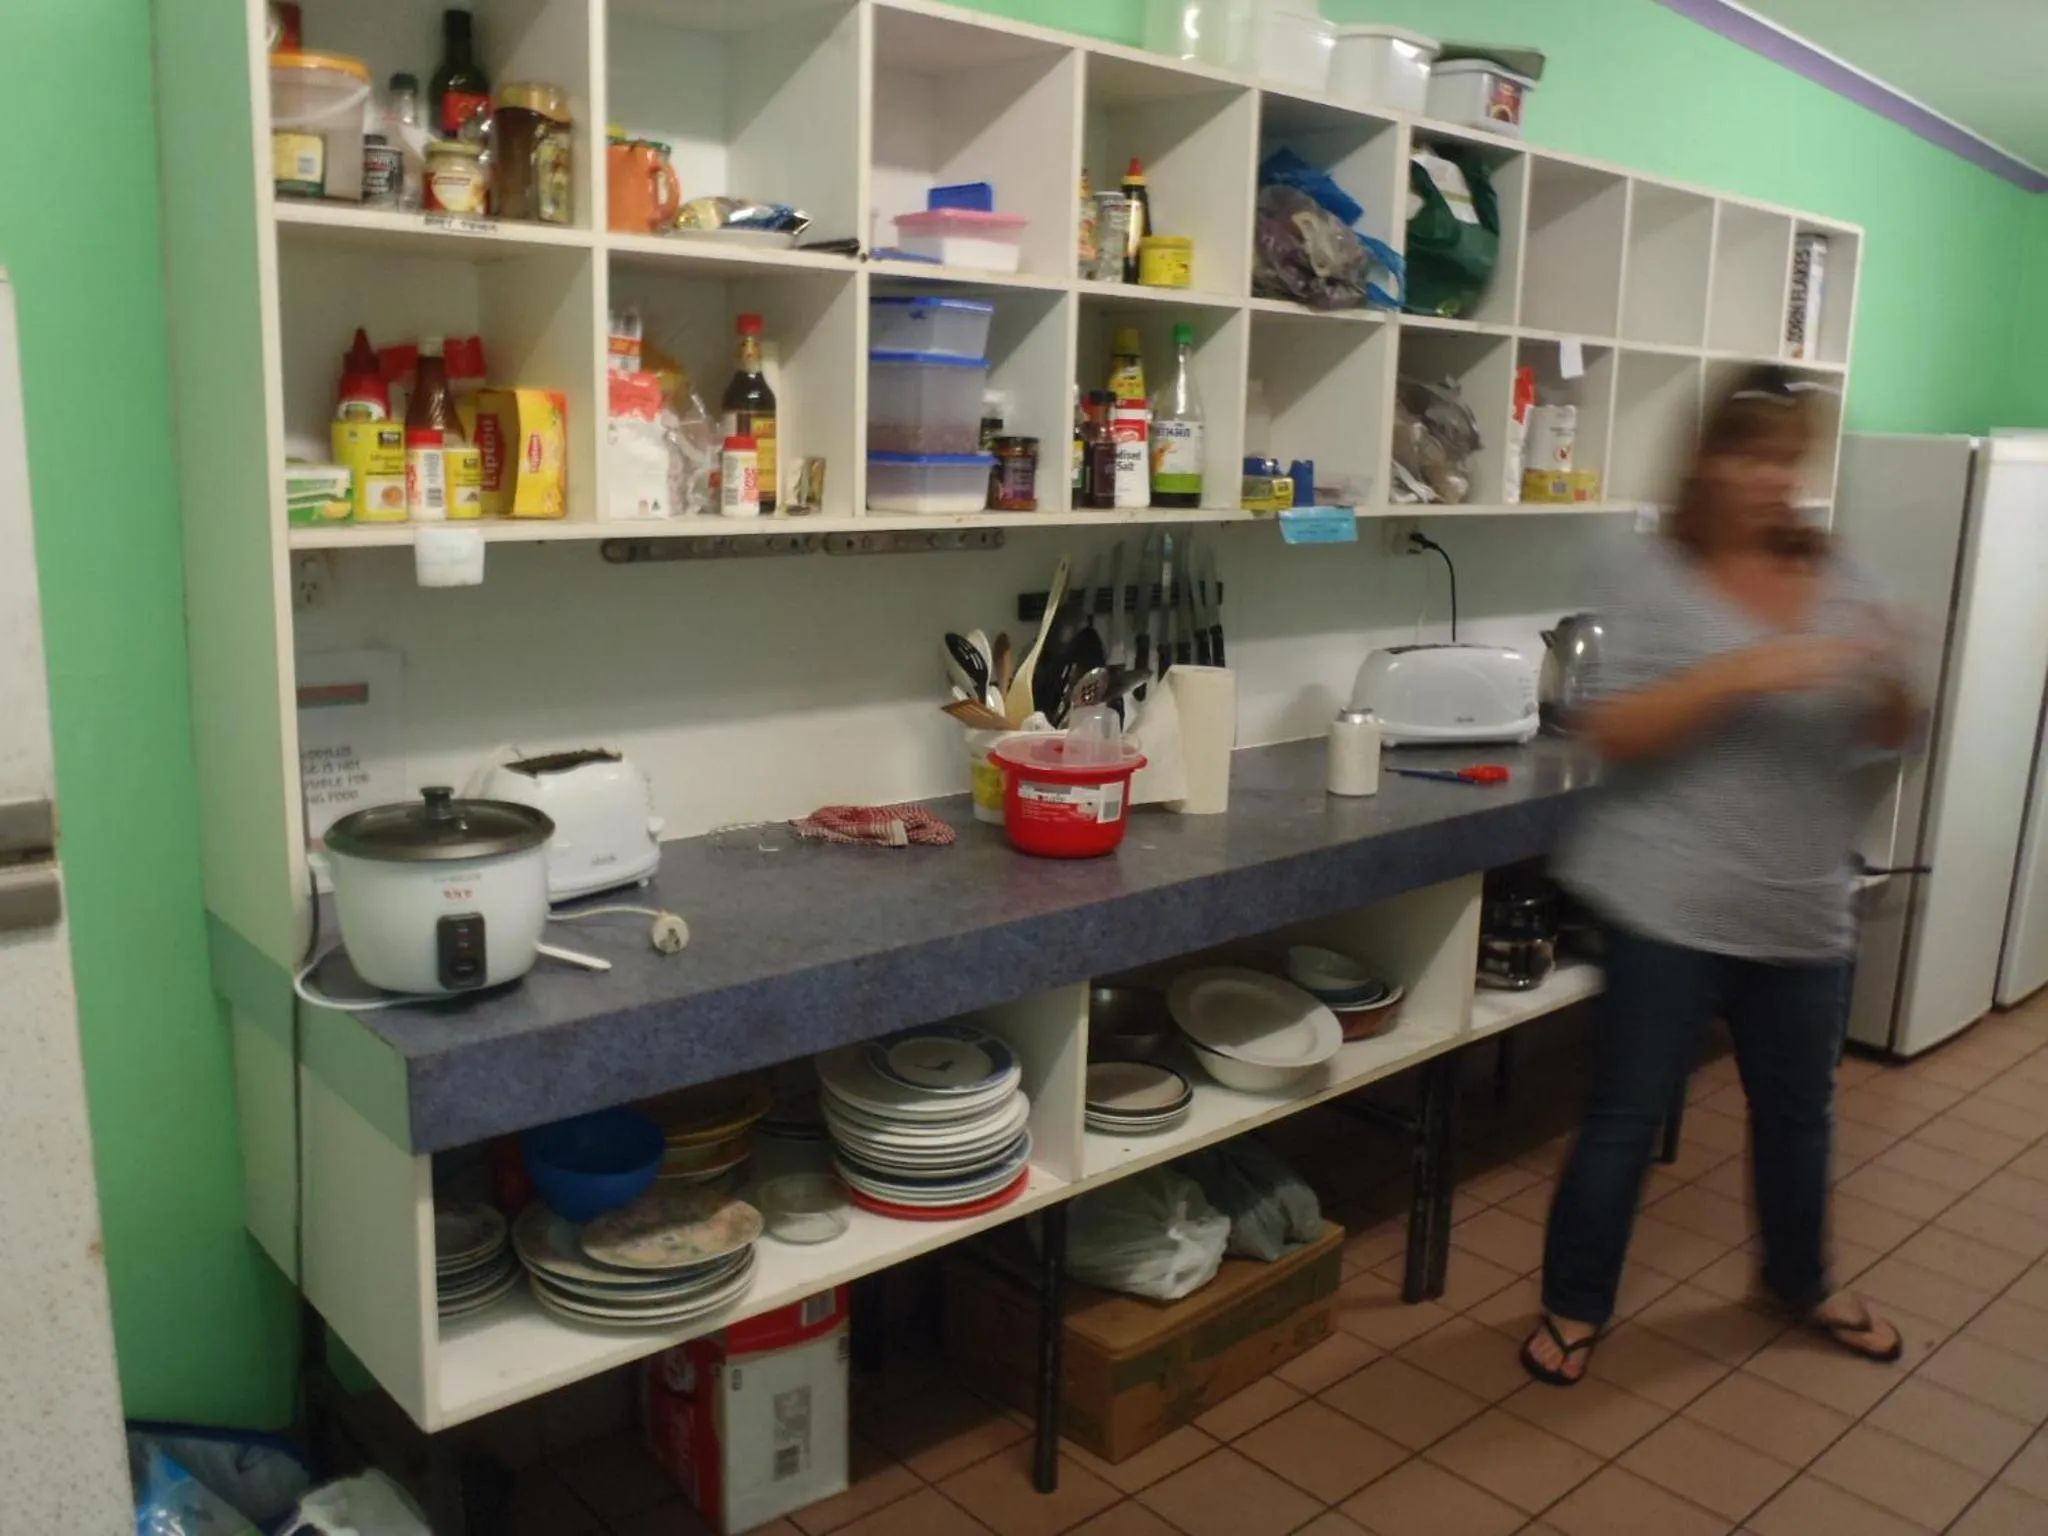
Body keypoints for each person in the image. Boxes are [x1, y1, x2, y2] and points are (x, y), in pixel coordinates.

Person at [1522, 366, 1915, 1387]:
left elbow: (1889, 728)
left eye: (1787, 458)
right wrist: (1741, 671)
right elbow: (1611, 727)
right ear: (1706, 458)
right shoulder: (1652, 570)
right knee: (1623, 1111)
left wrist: (1888, 675)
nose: (1770, 478)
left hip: (1799, 903)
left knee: (1798, 1111)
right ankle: (1572, 1304)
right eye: (1750, 453)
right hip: (1665, 901)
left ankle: (1799, 1281)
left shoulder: (1836, 572)